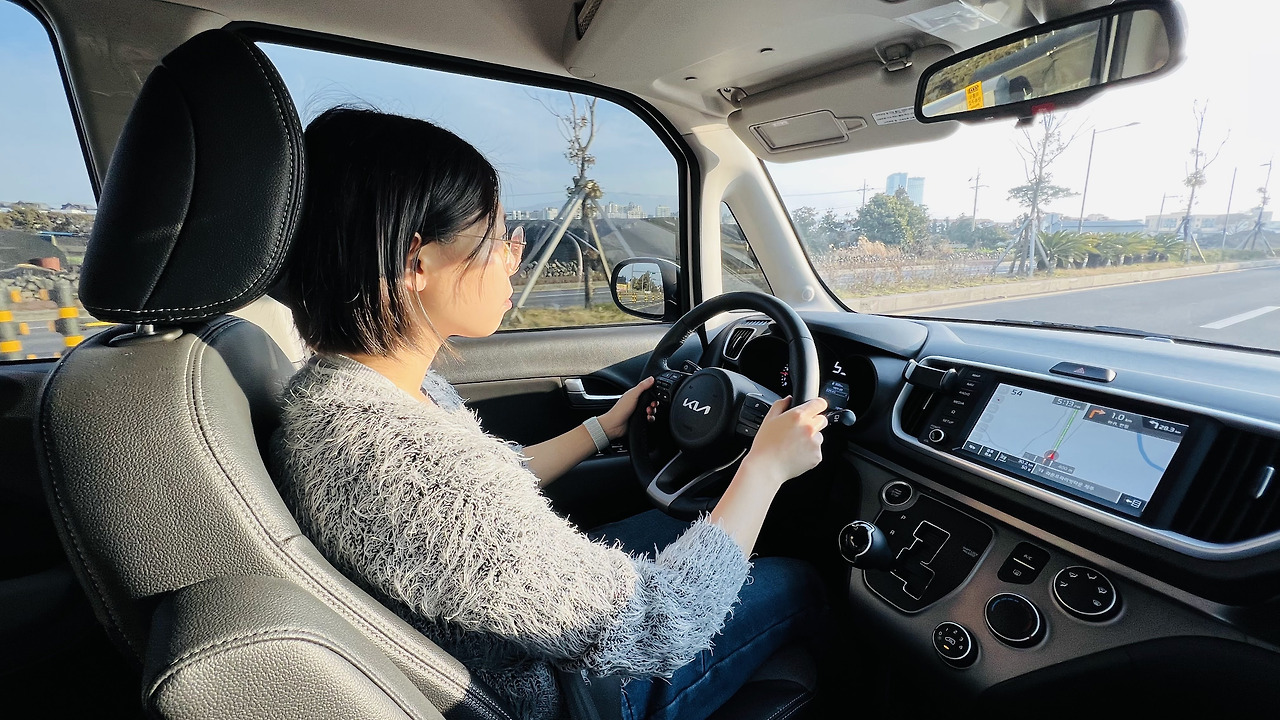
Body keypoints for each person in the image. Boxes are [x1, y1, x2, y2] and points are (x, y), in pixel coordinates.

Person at [270, 107, 828, 720]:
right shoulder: (405, 464)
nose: (515, 256)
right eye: (497, 239)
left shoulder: (346, 395)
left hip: (528, 642)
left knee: (687, 528)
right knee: (802, 579)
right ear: (416, 263)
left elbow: (490, 477)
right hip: (573, 695)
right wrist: (765, 468)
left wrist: (603, 427)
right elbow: (658, 626)